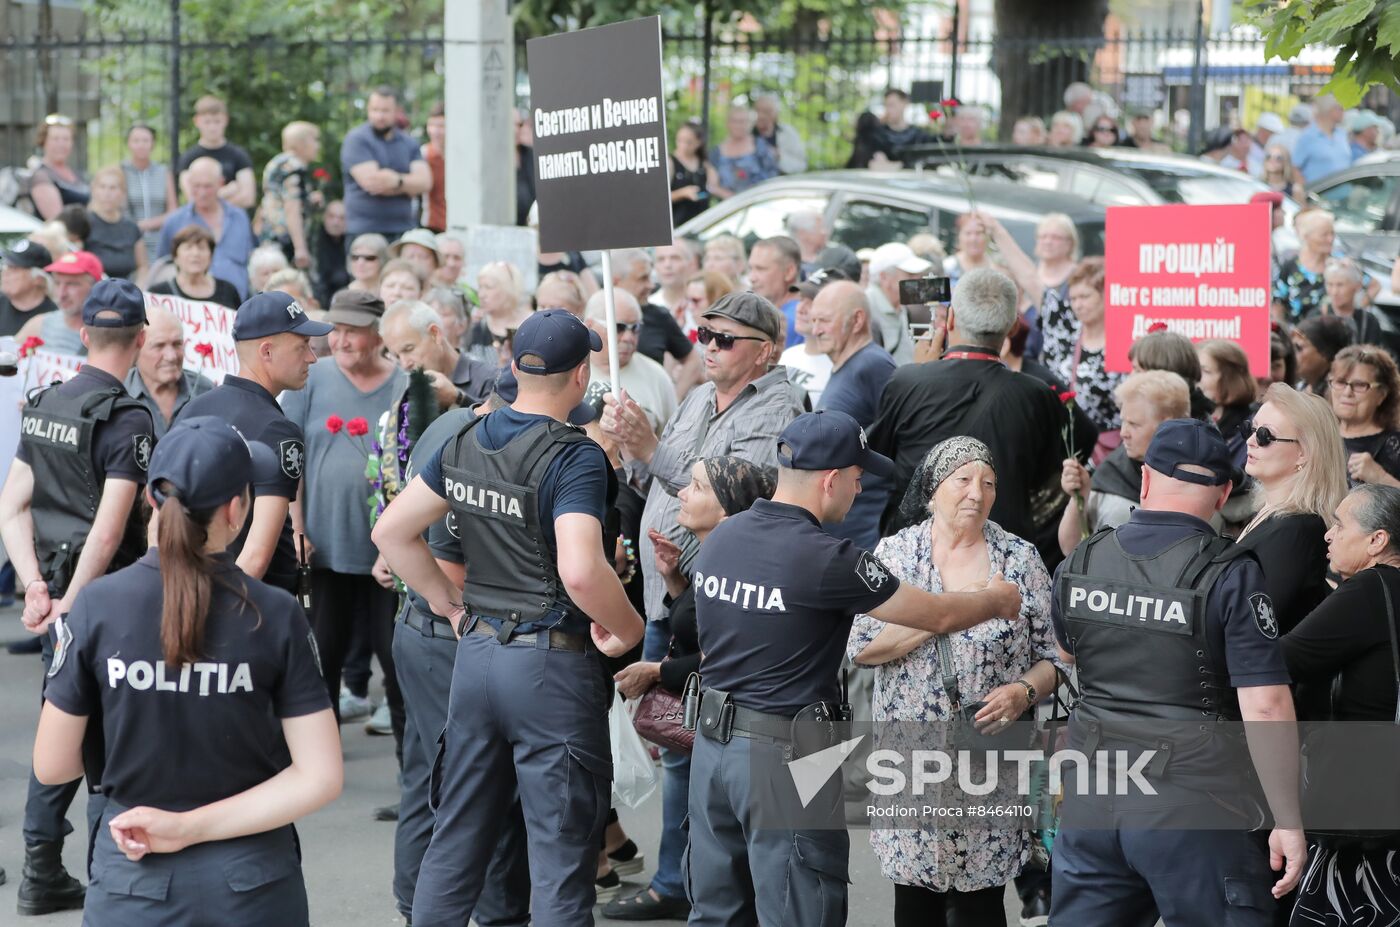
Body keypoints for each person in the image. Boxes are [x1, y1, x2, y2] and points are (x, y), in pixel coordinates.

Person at [686, 410, 1022, 926]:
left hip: (712, 750)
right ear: (830, 480)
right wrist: (995, 598)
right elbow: (937, 614)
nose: (860, 490)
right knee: (803, 910)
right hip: (786, 755)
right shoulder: (829, 559)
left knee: (718, 912)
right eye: (858, 478)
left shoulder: (723, 538)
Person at [372, 309, 646, 923]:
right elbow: (580, 569)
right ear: (581, 377)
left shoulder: (465, 436)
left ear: (514, 366)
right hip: (550, 665)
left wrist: (447, 603)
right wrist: (629, 629)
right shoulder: (573, 457)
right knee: (559, 858)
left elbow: (391, 530)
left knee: (457, 839)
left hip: (478, 658)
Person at [31, 417, 342, 925]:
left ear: (152, 500)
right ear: (235, 509)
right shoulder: (275, 613)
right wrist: (192, 827)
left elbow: (53, 766)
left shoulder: (96, 607)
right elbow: (320, 776)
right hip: (252, 881)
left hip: (134, 869)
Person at [1049, 418, 1306, 926]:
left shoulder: (1086, 555)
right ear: (1224, 492)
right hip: (1193, 805)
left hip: (1093, 800)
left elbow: (1067, 652)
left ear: (1145, 479)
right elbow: (1266, 704)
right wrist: (1288, 819)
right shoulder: (1230, 572)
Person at [851, 437, 1061, 926]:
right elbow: (863, 646)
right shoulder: (896, 554)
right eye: (962, 479)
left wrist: (1023, 692)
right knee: (914, 902)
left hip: (989, 761)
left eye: (988, 483)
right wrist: (958, 606)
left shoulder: (1020, 559)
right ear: (932, 487)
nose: (977, 492)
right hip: (909, 764)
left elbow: (1057, 657)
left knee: (981, 905)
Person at [0, 278, 153, 916]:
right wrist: (75, 602)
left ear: (84, 334)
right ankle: (110, 878)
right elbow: (112, 527)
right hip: (107, 596)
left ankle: (40, 870)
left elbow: (12, 507)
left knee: (59, 722)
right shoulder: (129, 417)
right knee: (112, 740)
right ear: (141, 338)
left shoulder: (44, 404)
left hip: (57, 587)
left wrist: (36, 586)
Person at [383, 373, 534, 924]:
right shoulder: (468, 447)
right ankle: (493, 916)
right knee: (480, 788)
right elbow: (444, 564)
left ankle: (413, 900)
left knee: (431, 775)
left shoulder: (458, 423)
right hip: (446, 633)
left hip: (424, 629)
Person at [604, 456, 776, 922]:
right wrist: (676, 579)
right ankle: (685, 887)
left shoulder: (742, 565)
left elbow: (723, 653)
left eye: (696, 487)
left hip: (739, 729)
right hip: (716, 724)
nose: (681, 493)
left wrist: (657, 673)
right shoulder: (710, 554)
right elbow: (701, 627)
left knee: (735, 855)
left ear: (726, 511)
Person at [603, 291, 807, 649]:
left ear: (764, 351)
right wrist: (629, 444)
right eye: (704, 335)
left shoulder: (776, 409)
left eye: (725, 339)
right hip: (661, 598)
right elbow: (653, 480)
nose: (709, 347)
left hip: (707, 608)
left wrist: (651, 449)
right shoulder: (700, 395)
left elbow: (733, 499)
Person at [279, 288, 405, 740]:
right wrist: (296, 526)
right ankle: (320, 756)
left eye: (355, 332)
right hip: (323, 543)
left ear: (380, 334)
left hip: (389, 553)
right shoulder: (312, 378)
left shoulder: (404, 383)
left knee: (394, 658)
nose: (341, 341)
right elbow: (290, 454)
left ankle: (412, 776)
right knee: (322, 654)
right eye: (337, 332)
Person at [870, 267, 1070, 540]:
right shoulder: (1036, 395)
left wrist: (918, 373)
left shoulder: (906, 381)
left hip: (915, 551)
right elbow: (1053, 471)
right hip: (998, 556)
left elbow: (879, 456)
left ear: (950, 318)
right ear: (1012, 326)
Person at [1283, 483, 1400, 926]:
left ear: (1377, 540)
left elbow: (1280, 660)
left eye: (1339, 524)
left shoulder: (1374, 588)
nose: (1328, 535)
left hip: (1366, 820)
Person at [180, 291, 332, 592]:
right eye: (302, 346)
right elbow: (257, 556)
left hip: (195, 588)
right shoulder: (278, 430)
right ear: (266, 352)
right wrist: (219, 614)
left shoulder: (193, 408)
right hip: (253, 604)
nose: (312, 358)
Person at [1235, 384, 1346, 639]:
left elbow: (1260, 623)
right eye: (1250, 430)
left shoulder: (1299, 528)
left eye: (1265, 435)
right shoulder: (1275, 513)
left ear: (1303, 453)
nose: (1251, 441)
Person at [1059, 370, 1191, 556]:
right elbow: (1070, 548)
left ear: (1168, 426)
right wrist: (1079, 497)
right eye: (1123, 422)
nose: (1123, 433)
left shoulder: (1199, 478)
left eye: (1134, 424)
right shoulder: (1111, 472)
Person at [809, 279, 898, 548]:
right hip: (839, 524)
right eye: (813, 321)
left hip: (862, 526)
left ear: (857, 320)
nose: (815, 330)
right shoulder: (849, 364)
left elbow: (896, 440)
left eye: (824, 320)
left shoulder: (873, 364)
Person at [1044, 256, 1124, 439]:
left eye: (1085, 297)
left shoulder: (1123, 342)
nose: (1078, 305)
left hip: (1107, 447)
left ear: (1105, 295)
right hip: (1066, 443)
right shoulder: (1066, 337)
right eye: (1073, 298)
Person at [341, 86, 432, 240]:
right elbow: (373, 183)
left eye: (385, 110)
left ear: (397, 111)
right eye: (375, 110)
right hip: (364, 231)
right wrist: (408, 186)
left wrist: (396, 180)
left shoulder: (409, 143)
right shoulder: (357, 139)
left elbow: (425, 183)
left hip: (404, 230)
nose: (379, 116)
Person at [158, 157, 256, 300]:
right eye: (196, 186)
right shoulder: (174, 222)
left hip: (237, 306)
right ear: (189, 184)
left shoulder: (239, 218)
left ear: (220, 183)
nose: (202, 192)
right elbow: (163, 268)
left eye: (207, 186)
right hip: (190, 307)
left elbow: (251, 260)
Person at [609, 248, 703, 396]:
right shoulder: (597, 314)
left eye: (635, 327)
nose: (651, 285)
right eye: (643, 278)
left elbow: (693, 360)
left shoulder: (659, 316)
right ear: (615, 281)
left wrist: (673, 400)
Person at [583, 290, 676, 433]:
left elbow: (672, 441)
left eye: (635, 328)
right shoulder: (569, 372)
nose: (629, 337)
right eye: (618, 327)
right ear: (589, 325)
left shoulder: (657, 377)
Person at [124, 304, 215, 438]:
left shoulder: (204, 391)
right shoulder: (120, 393)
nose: (171, 356)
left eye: (177, 344)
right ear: (136, 348)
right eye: (159, 346)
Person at [1274, 210, 1376, 324]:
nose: (1330, 239)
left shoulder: (1340, 264)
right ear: (1307, 236)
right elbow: (1277, 303)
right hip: (1298, 335)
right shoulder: (1290, 266)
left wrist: (1354, 312)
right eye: (1324, 235)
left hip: (1333, 334)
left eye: (1332, 233)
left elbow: (1374, 286)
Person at [1331, 345, 1400, 488]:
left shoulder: (1394, 445)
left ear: (1381, 395)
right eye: (1340, 382)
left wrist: (1381, 478)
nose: (1347, 392)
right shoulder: (1317, 433)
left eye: (1359, 385)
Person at [257, 121, 321, 270]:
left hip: (271, 240)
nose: (317, 146)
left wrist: (309, 200)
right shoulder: (293, 167)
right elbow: (291, 208)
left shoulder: (279, 163)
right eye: (315, 140)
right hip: (284, 242)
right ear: (301, 143)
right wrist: (300, 249)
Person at [16, 250, 103, 356]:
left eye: (72, 284)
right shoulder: (40, 325)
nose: (62, 294)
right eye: (57, 283)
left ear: (97, 287)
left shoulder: (110, 335)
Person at [176, 95, 256, 210]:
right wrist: (226, 191)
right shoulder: (188, 157)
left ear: (226, 120)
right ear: (197, 121)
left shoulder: (239, 155)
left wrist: (208, 200)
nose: (212, 127)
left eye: (217, 121)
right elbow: (192, 199)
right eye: (207, 122)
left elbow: (248, 198)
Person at [779, 268, 844, 405]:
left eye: (814, 302)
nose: (801, 308)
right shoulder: (788, 355)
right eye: (801, 299)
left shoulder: (842, 367)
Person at [866, 241, 933, 366]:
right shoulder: (866, 307)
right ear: (884, 277)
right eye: (910, 275)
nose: (918, 280)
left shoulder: (901, 306)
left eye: (918, 275)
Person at [146, 225, 242, 310]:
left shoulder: (228, 291)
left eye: (202, 248)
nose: (195, 254)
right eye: (188, 247)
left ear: (211, 256)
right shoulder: (158, 294)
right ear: (175, 256)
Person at [1197, 338, 1260, 467]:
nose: (1197, 378)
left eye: (1206, 371)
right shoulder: (1192, 413)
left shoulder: (1250, 425)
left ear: (1230, 379)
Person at [122, 124, 178, 260]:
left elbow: (173, 210)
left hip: (160, 239)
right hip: (130, 240)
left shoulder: (163, 172)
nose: (141, 145)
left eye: (146, 140)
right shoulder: (121, 171)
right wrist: (135, 227)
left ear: (153, 143)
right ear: (129, 143)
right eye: (136, 141)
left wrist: (148, 224)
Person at [465, 261, 531, 366]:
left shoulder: (532, 325)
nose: (481, 295)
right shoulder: (475, 327)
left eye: (488, 287)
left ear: (508, 289)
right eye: (480, 287)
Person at [85, 167, 145, 283]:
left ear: (122, 193)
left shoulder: (131, 227)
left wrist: (139, 289)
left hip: (125, 290)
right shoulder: (84, 223)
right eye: (102, 187)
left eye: (113, 188)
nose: (107, 193)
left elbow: (143, 266)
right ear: (94, 190)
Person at [710, 105, 779, 200]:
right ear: (728, 123)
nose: (739, 125)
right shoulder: (716, 152)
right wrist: (732, 198)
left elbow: (772, 176)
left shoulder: (760, 146)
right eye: (735, 121)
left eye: (743, 121)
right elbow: (712, 186)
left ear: (750, 124)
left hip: (758, 203)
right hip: (728, 208)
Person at [28, 115, 89, 221]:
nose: (61, 144)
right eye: (55, 139)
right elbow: (57, 221)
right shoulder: (41, 176)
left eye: (66, 139)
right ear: (43, 142)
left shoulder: (78, 174)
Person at [748, 236, 803, 347]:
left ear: (789, 272)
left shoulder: (794, 319)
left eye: (760, 269)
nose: (752, 278)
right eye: (751, 268)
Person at [1317, 257, 1384, 345]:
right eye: (1330, 284)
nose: (1334, 292)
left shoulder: (1369, 321)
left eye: (1340, 285)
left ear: (1357, 286)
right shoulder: (1317, 316)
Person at [0, 239, 55, 337]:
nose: (5, 273)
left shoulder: (54, 317)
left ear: (39, 279)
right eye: (6, 266)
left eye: (14, 268)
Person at [1292, 96, 1353, 183]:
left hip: (1345, 191)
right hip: (1319, 193)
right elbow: (1295, 167)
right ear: (1328, 110)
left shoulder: (1341, 134)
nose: (1343, 111)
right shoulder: (1308, 136)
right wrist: (1305, 191)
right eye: (1339, 108)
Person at [1292, 314, 1352, 397]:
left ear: (1325, 353)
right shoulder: (1300, 387)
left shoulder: (1337, 397)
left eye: (1299, 348)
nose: (1292, 354)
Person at [670, 122, 716, 226]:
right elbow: (660, 199)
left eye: (688, 142)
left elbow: (713, 188)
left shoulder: (704, 165)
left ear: (698, 142)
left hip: (701, 222)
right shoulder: (670, 163)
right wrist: (682, 193)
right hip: (679, 225)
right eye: (680, 140)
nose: (683, 146)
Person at [753, 92, 808, 174]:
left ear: (776, 114)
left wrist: (779, 156)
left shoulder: (788, 133)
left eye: (766, 111)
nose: (761, 116)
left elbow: (802, 165)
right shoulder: (746, 134)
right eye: (758, 111)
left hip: (779, 184)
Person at [312, 200, 350, 306]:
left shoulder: (351, 244)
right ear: (324, 217)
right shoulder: (312, 239)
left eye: (342, 218)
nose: (336, 222)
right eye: (331, 216)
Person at [875, 87, 928, 160]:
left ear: (905, 104)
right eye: (886, 105)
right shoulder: (878, 135)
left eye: (892, 105)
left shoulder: (918, 135)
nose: (888, 110)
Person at [944, 213, 995, 288]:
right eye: (968, 233)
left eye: (978, 233)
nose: (973, 239)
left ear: (987, 236)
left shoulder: (995, 267)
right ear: (959, 236)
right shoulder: (947, 267)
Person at [421, 102, 447, 233]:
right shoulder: (422, 154)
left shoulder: (460, 158)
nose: (436, 131)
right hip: (430, 225)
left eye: (441, 126)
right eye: (431, 125)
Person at [787, 210, 829, 275]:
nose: (825, 232)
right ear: (802, 233)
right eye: (820, 227)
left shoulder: (831, 261)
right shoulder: (786, 265)